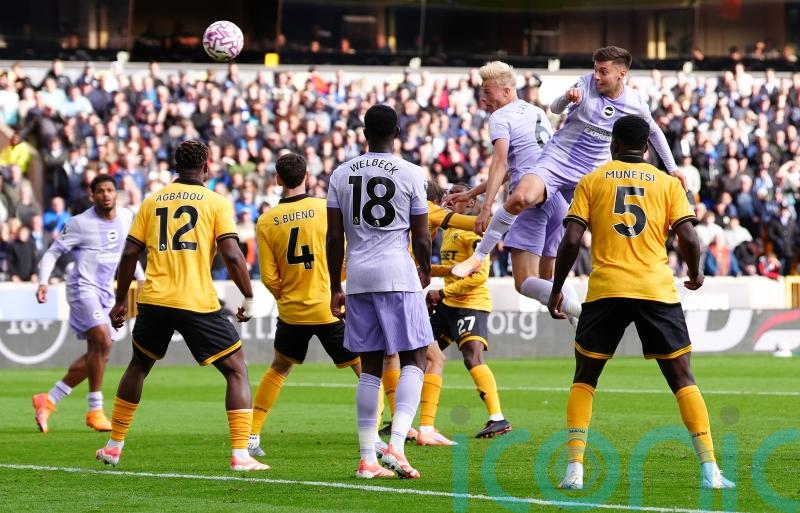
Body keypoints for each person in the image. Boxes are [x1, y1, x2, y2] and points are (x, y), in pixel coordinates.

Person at [547, 115, 735, 490]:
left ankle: (575, 469)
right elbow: (689, 237)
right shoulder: (668, 183)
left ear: (613, 145)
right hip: (655, 289)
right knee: (682, 378)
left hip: (606, 289)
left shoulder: (592, 180)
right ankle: (710, 469)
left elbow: (570, 241)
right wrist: (696, 274)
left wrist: (557, 288)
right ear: (647, 146)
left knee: (585, 377)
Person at [94, 140, 268, 471]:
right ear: (207, 165)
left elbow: (130, 254)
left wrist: (119, 301)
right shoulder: (215, 202)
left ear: (177, 166)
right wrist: (247, 296)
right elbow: (232, 254)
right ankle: (241, 454)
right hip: (195, 300)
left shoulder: (152, 201)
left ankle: (114, 446)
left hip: (155, 299)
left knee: (138, 366)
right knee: (236, 369)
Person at [451, 47, 686, 278]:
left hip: (591, 173)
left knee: (607, 225)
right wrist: (567, 97)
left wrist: (673, 168)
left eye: (603, 72)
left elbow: (654, 132)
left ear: (621, 74)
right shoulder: (586, 84)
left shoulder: (635, 102)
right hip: (558, 161)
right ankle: (478, 257)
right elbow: (555, 108)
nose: (597, 76)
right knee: (520, 197)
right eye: (595, 70)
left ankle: (617, 278)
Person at [248, 152, 379, 458]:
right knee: (366, 370)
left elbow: (268, 277)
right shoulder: (325, 208)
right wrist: (335, 283)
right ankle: (374, 438)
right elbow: (346, 254)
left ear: (277, 180)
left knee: (279, 368)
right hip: (330, 308)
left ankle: (251, 434)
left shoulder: (267, 221)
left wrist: (287, 295)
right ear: (307, 176)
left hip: (293, 311)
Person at [327, 104, 432, 479]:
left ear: (363, 133)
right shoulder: (411, 173)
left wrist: (334, 286)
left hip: (357, 278)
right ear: (398, 132)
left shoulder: (341, 173)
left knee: (370, 368)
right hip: (397, 275)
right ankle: (398, 447)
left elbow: (333, 236)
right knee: (416, 360)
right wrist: (425, 268)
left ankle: (367, 459)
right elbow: (420, 235)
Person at [444, 61, 581, 324]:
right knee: (549, 278)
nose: (483, 99)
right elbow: (518, 163)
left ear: (506, 91)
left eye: (488, 92)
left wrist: (486, 208)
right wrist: (473, 192)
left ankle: (583, 315)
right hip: (556, 200)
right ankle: (581, 328)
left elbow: (501, 162)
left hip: (531, 202)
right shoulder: (536, 112)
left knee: (524, 281)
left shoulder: (500, 117)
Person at [32, 175, 143, 433]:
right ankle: (95, 410)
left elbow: (126, 254)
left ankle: (48, 400)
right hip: (82, 288)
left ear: (116, 194)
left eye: (110, 190)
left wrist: (142, 278)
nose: (106, 194)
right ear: (92, 195)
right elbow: (53, 252)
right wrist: (43, 282)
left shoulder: (127, 217)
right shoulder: (80, 223)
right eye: (100, 191)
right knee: (102, 341)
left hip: (107, 291)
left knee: (100, 354)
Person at [427, 184, 511, 439]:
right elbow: (452, 269)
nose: (449, 199)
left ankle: (497, 418)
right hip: (448, 305)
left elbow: (479, 275)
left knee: (471, 357)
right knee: (418, 353)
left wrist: (441, 293)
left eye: (456, 195)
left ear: (471, 203)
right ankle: (414, 422)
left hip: (470, 304)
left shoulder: (473, 231)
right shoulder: (449, 231)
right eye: (447, 196)